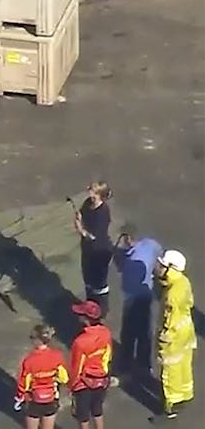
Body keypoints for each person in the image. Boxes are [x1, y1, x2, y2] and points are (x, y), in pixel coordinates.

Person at [112, 228, 162, 378]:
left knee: (128, 333)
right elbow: (159, 257)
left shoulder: (127, 257)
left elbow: (120, 268)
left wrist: (117, 252)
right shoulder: (150, 244)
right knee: (145, 331)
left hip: (131, 298)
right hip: (146, 295)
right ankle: (144, 365)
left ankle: (126, 365)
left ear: (126, 238)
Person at [154, 249, 196, 421]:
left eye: (162, 265)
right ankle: (184, 395)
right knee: (184, 366)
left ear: (170, 268)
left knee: (170, 372)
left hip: (174, 336)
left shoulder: (172, 295)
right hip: (186, 332)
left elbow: (170, 321)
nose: (158, 268)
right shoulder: (183, 282)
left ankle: (169, 409)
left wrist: (163, 339)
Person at [14, 324, 69, 429]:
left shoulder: (29, 360)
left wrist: (20, 396)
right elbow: (64, 378)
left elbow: (24, 382)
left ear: (37, 340)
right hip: (51, 398)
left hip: (33, 399)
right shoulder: (57, 356)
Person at [68, 300, 113, 429]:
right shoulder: (106, 333)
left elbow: (77, 366)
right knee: (97, 410)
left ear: (86, 318)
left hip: (83, 383)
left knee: (83, 416)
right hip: (101, 379)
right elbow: (108, 356)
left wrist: (72, 386)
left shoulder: (80, 342)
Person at [74, 182, 113, 316]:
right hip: (88, 249)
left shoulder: (103, 212)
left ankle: (101, 310)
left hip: (100, 251)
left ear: (99, 195)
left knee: (99, 282)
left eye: (92, 191)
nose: (89, 193)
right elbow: (82, 213)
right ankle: (89, 307)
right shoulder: (87, 203)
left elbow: (94, 236)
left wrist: (81, 229)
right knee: (88, 279)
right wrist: (79, 218)